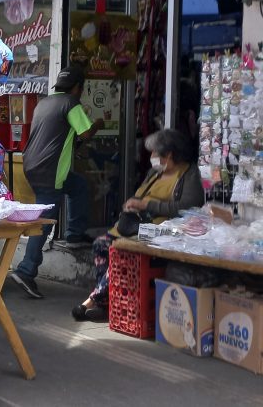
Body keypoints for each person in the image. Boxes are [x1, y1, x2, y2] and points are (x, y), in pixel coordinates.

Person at [72, 129, 205, 322]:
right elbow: (140, 194)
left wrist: (147, 205)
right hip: (136, 225)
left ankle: (95, 301)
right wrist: (132, 203)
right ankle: (107, 302)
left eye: (155, 153)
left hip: (159, 231)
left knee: (120, 252)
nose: (151, 157)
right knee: (101, 244)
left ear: (169, 155)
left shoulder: (189, 175)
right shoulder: (155, 172)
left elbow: (187, 207)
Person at [11, 66, 104, 299]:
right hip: (50, 171)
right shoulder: (71, 103)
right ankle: (26, 270)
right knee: (45, 221)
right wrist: (98, 125)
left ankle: (74, 233)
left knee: (79, 186)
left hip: (31, 165)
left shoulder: (44, 103)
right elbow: (85, 134)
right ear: (77, 88)